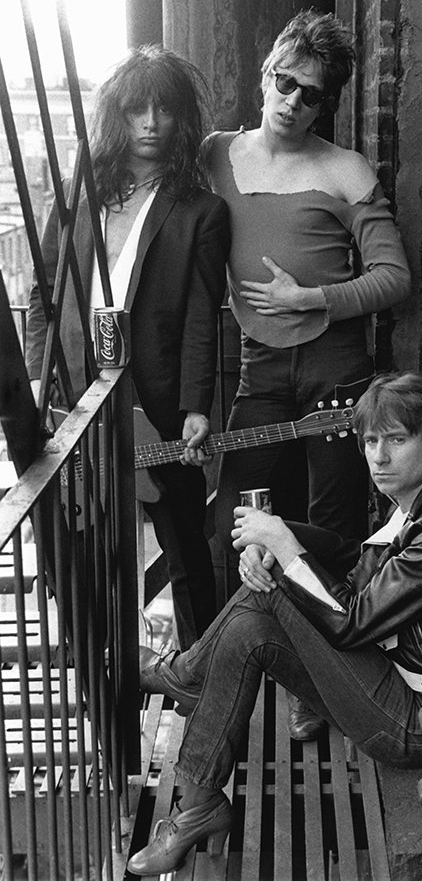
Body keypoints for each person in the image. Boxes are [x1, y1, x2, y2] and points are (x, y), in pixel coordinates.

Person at [128, 372, 422, 876]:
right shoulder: (415, 503)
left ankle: (188, 678)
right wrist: (276, 537)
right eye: (370, 441)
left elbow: (352, 622)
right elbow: (349, 559)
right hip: (382, 682)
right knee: (254, 621)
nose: (379, 457)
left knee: (271, 595)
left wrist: (280, 544)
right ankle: (199, 801)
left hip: (410, 726)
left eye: (398, 440)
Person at [25, 45, 231, 649]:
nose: (149, 123)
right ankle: (96, 660)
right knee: (74, 541)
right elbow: (42, 293)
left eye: (163, 110)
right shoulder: (74, 193)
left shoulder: (201, 211)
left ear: (180, 119)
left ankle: (204, 676)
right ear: (115, 115)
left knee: (186, 548)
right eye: (136, 109)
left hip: (159, 402)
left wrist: (197, 406)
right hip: (74, 397)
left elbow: (201, 316)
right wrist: (42, 378)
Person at [203, 8, 411, 551]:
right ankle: (256, 637)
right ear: (267, 74)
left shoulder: (347, 168)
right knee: (237, 522)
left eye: (311, 94)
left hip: (336, 371)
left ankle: (329, 636)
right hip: (259, 366)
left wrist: (310, 298)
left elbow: (394, 278)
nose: (293, 101)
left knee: (335, 528)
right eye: (285, 81)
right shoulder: (215, 155)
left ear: (326, 105)